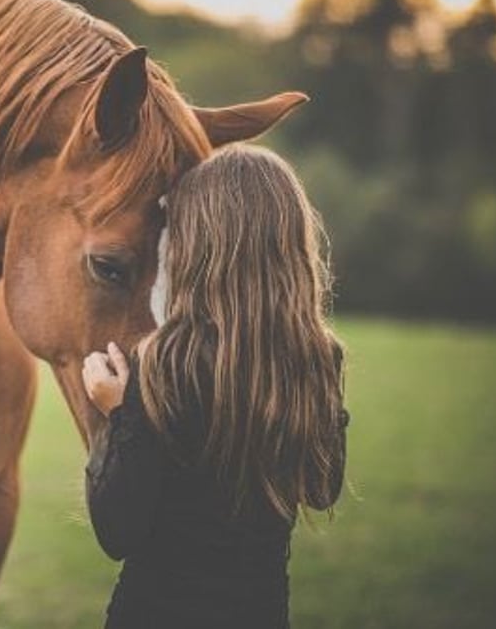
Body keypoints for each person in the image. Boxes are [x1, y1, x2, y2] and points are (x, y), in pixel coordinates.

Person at [81, 145, 350, 629]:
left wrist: (119, 413)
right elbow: (321, 488)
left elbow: (118, 531)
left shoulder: (163, 361)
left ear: (196, 244)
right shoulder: (317, 357)